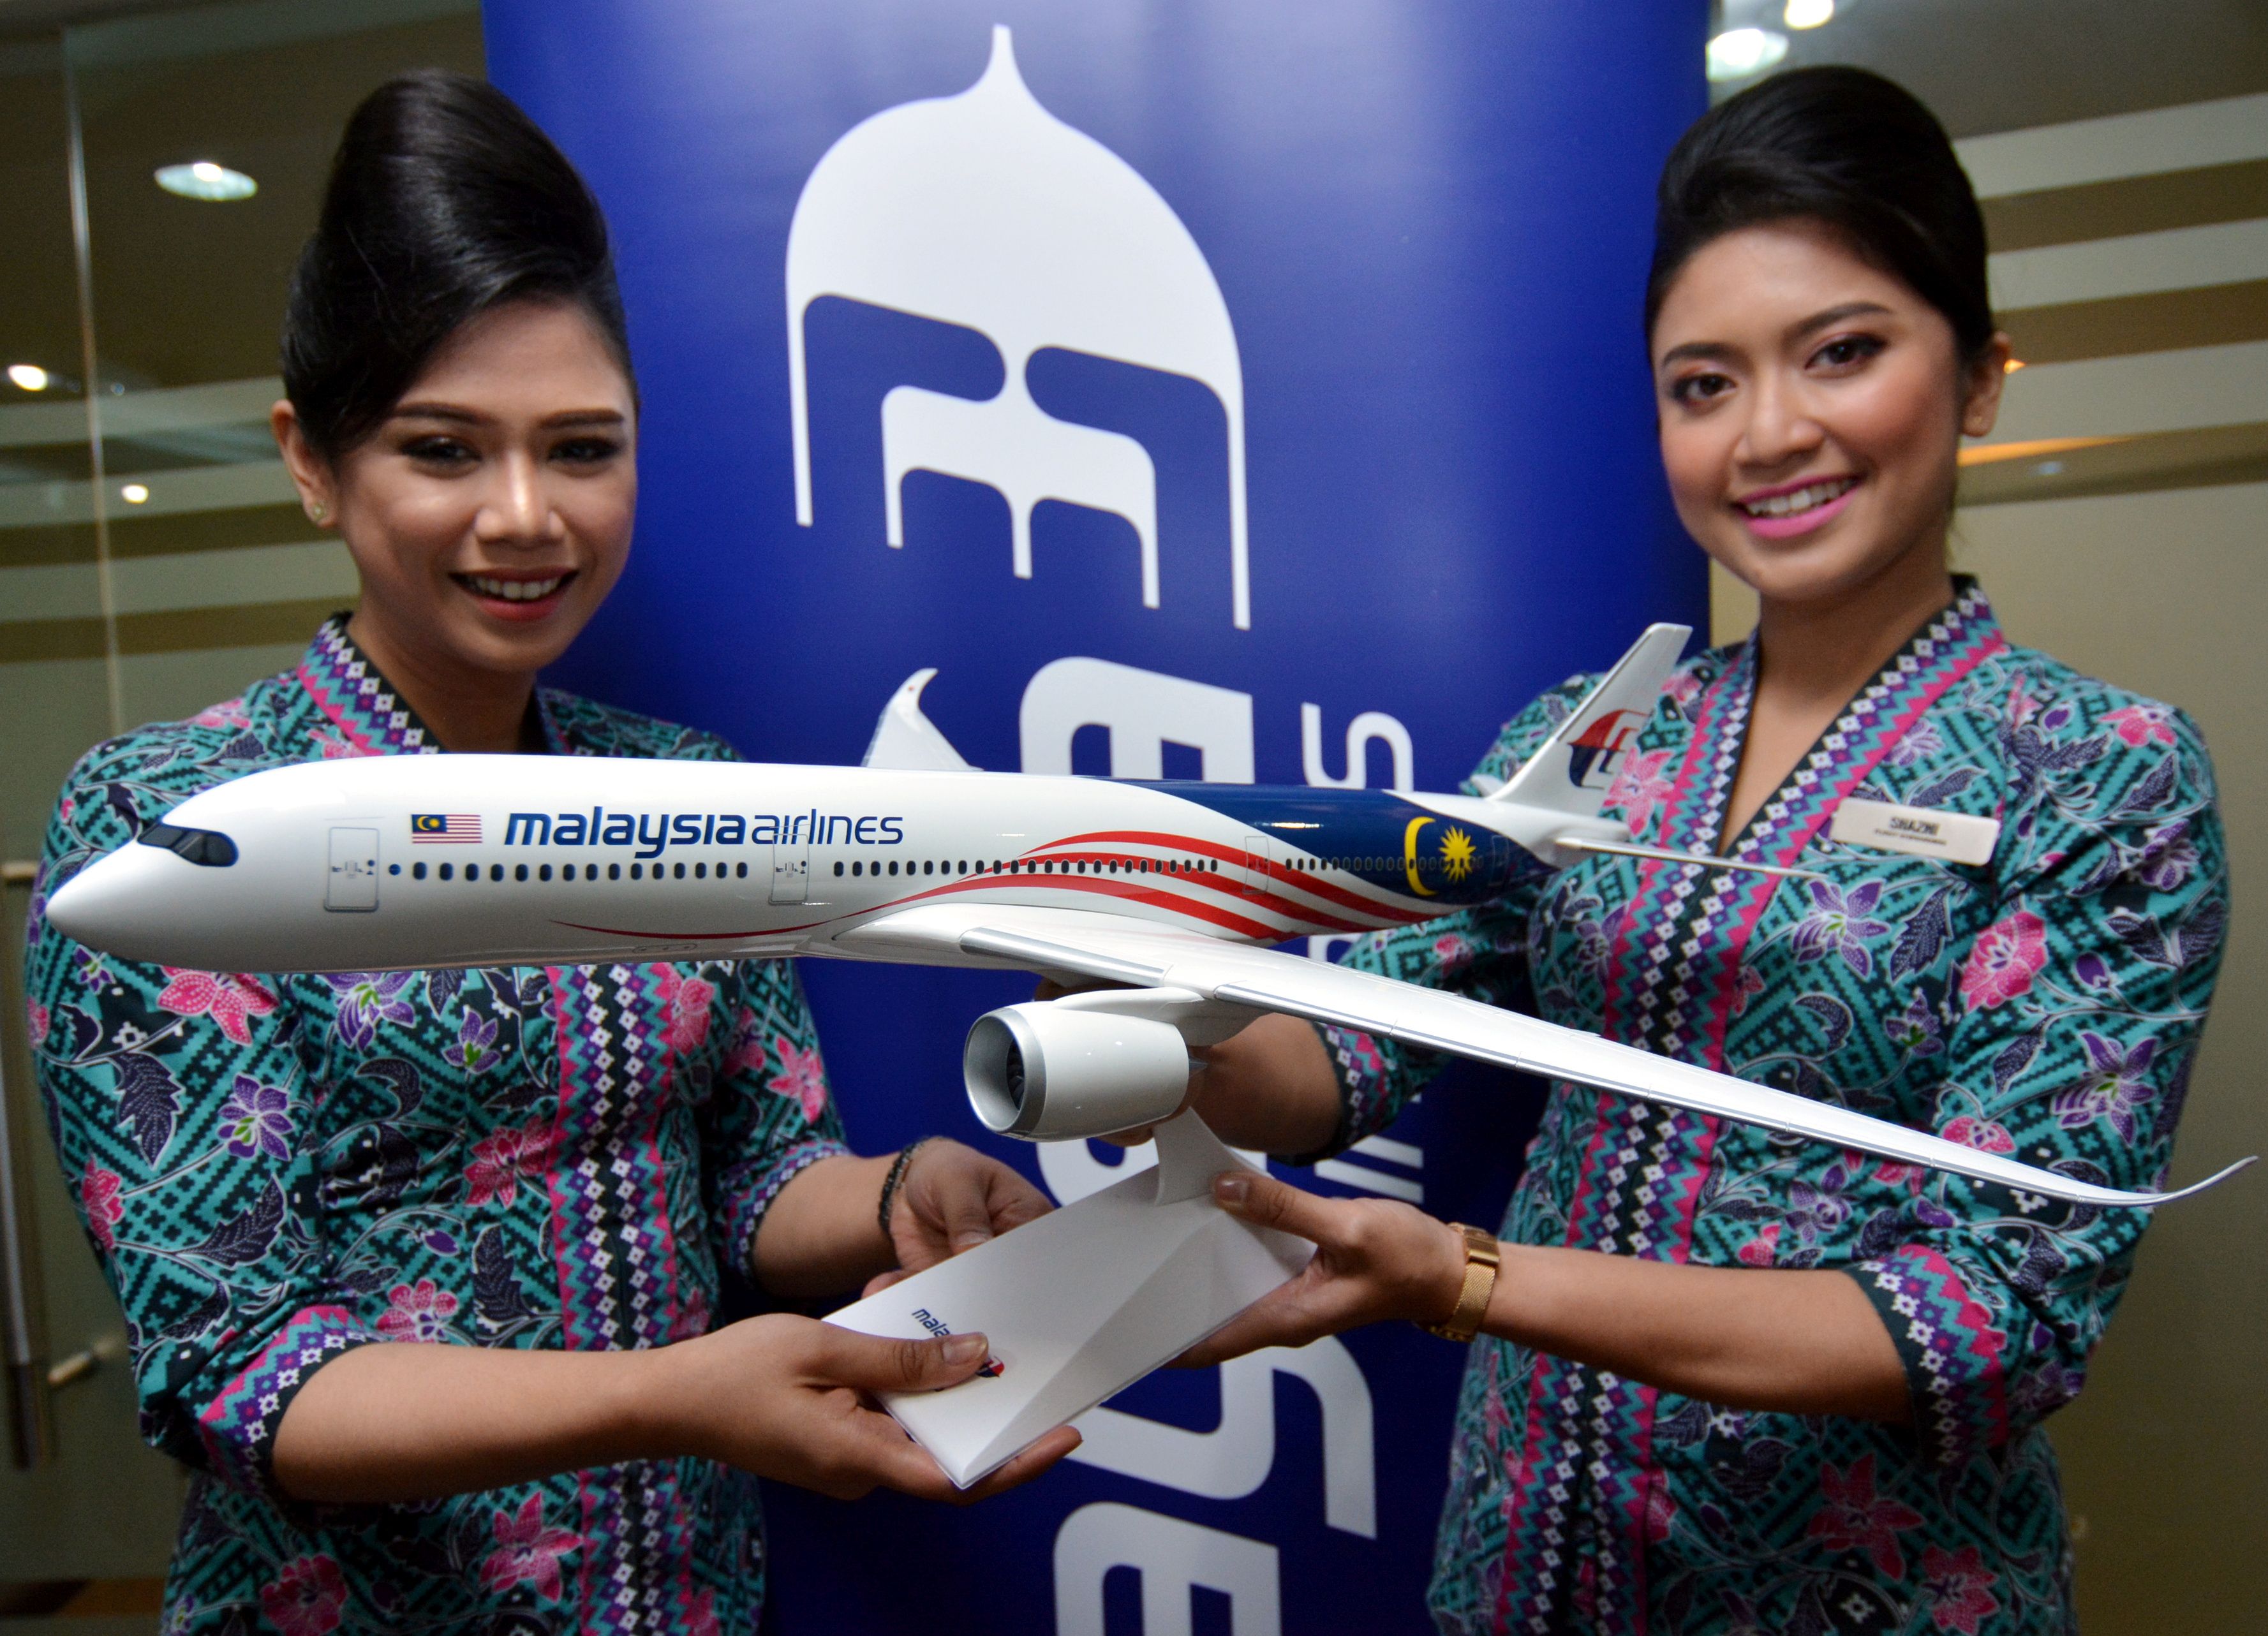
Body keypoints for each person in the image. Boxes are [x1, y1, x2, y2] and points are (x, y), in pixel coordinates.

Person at [1166, 68, 2227, 1634]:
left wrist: (1467, 1278)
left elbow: (1994, 1313)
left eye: (1841, 351)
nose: (1768, 433)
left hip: (1865, 1590)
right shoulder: (1595, 736)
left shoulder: (2098, 773)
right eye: (1702, 382)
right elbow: (1344, 1050)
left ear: (1978, 377)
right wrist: (1131, 981)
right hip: (1526, 1562)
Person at [24, 70, 1072, 1635]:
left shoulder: (687, 790)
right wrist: (666, 1395)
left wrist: (896, 1195)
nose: (525, 516)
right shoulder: (182, 823)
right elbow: (235, 1368)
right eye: (443, 449)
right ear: (312, 459)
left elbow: (760, 1172)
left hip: (682, 1599)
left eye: (581, 448)